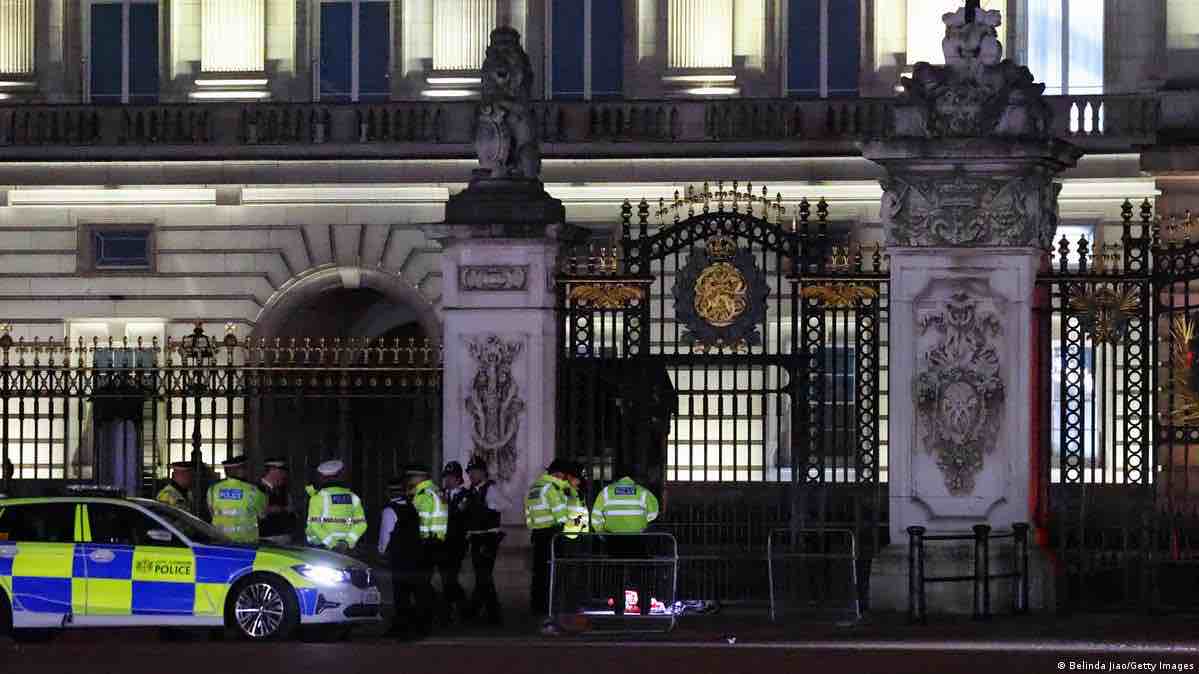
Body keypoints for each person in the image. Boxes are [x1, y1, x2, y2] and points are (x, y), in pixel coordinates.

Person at [591, 470, 660, 615]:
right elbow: (654, 513)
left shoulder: (606, 492)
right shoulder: (642, 492)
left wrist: (602, 534)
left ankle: (618, 608)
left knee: (616, 575)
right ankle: (645, 607)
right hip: (637, 539)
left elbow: (596, 517)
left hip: (614, 539)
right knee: (642, 574)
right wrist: (640, 522)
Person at [378, 475, 431, 640]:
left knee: (401, 595)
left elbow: (385, 536)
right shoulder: (414, 507)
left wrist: (382, 552)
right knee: (418, 593)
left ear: (388, 493)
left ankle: (403, 628)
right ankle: (421, 628)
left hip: (400, 558)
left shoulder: (389, 510)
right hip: (418, 556)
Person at [524, 458, 572, 630]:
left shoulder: (535, 488)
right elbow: (561, 516)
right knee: (551, 577)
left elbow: (528, 516)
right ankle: (549, 614)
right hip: (552, 536)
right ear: (558, 473)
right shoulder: (552, 489)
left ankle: (538, 611)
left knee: (539, 576)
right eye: (564, 475)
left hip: (537, 534)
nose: (565, 478)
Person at [463, 455, 509, 625]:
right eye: (470, 472)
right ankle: (488, 613)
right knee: (483, 576)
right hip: (475, 538)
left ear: (483, 473)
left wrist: (489, 506)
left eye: (475, 472)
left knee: (483, 576)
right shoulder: (470, 491)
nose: (472, 475)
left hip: (488, 538)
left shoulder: (491, 489)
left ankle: (480, 612)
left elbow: (505, 504)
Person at [304, 459, 367, 553]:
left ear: (321, 477)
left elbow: (314, 525)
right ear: (341, 476)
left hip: (321, 548)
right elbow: (361, 524)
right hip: (346, 549)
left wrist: (333, 544)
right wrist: (347, 542)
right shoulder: (353, 497)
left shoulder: (318, 498)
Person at [206, 455, 266, 543]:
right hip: (246, 543)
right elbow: (263, 514)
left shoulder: (212, 490)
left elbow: (212, 513)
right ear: (240, 470)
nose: (247, 471)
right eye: (245, 468)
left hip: (219, 542)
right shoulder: (253, 491)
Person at [437, 461, 469, 623]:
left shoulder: (466, 495)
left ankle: (451, 610)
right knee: (446, 578)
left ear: (458, 479)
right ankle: (459, 608)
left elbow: (458, 515)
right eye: (446, 478)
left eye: (450, 478)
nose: (447, 481)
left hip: (456, 543)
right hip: (442, 543)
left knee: (450, 577)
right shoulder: (442, 494)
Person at [259, 457, 295, 544]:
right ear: (272, 470)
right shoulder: (258, 489)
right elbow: (260, 512)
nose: (284, 475)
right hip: (267, 537)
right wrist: (281, 509)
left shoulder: (282, 489)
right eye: (281, 472)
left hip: (283, 535)